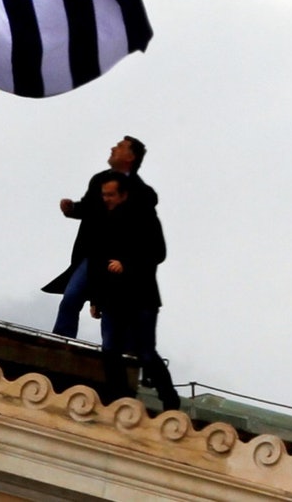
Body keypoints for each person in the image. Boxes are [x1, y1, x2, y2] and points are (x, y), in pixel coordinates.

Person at [42, 137, 156, 338]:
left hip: (118, 260)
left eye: (120, 147)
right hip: (92, 256)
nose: (113, 148)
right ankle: (60, 341)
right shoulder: (99, 180)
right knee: (71, 298)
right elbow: (87, 208)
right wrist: (72, 209)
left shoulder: (143, 194)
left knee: (113, 312)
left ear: (130, 156)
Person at [85, 173, 180, 411]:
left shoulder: (145, 218)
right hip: (111, 297)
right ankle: (118, 400)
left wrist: (127, 264)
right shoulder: (103, 221)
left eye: (110, 194)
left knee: (145, 352)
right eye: (103, 195)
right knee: (110, 349)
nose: (106, 199)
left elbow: (158, 253)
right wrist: (95, 298)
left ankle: (169, 400)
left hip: (141, 297)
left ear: (124, 195)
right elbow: (97, 260)